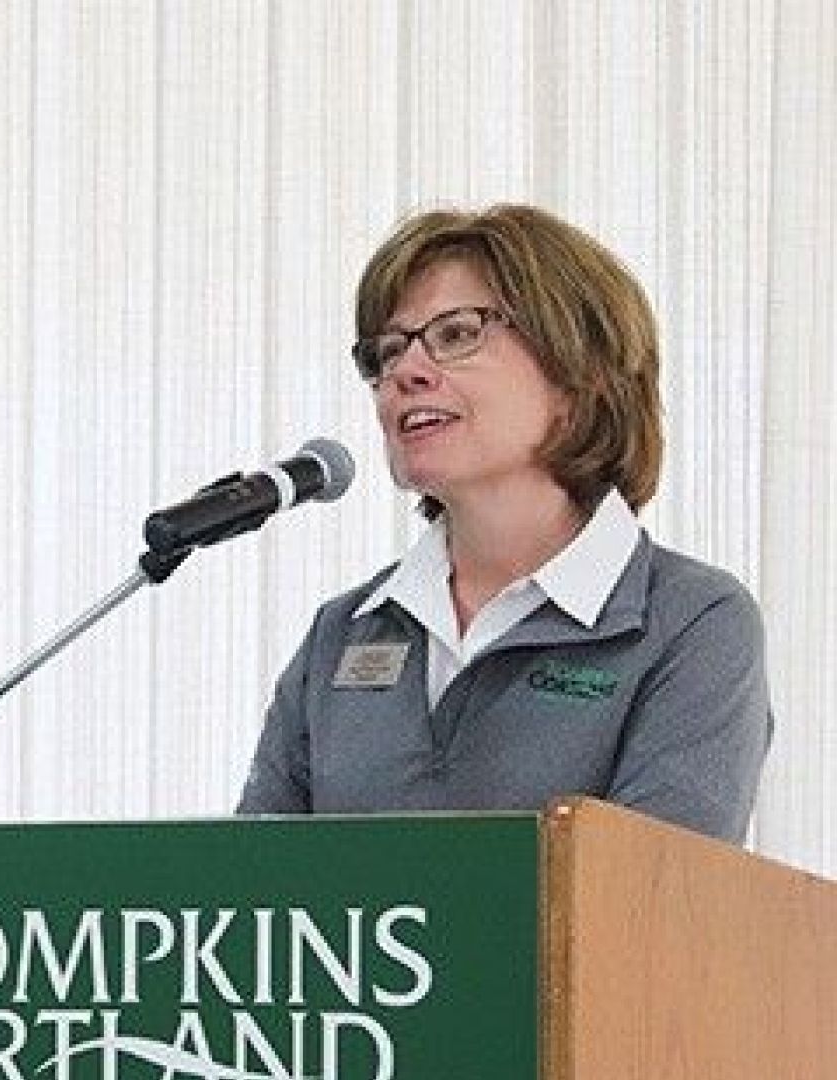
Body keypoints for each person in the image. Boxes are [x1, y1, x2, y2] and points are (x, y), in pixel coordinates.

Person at [237, 204, 772, 843]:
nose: (404, 373)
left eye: (457, 334)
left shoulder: (691, 623)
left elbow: (645, 912)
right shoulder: (342, 634)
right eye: (387, 351)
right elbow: (255, 908)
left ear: (580, 374)